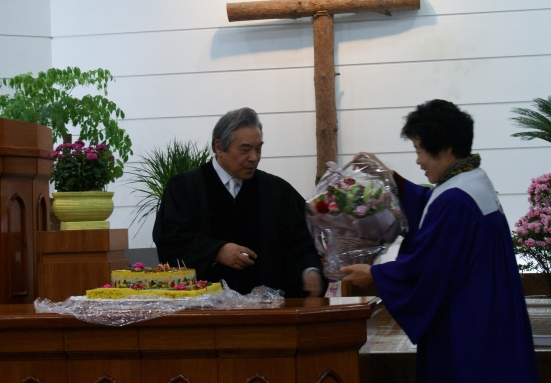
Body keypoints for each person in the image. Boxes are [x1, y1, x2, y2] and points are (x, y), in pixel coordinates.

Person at [342, 100, 539, 382]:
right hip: (492, 320)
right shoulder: (473, 181)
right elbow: (431, 210)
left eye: (419, 150)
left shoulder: (456, 200)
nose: (418, 161)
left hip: (470, 332)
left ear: (445, 148)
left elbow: (428, 268)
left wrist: (376, 275)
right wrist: (389, 179)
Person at [153, 107, 324, 297]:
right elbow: (170, 239)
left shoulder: (276, 191)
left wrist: (309, 270)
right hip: (204, 307)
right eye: (245, 149)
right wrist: (216, 252)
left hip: (268, 308)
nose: (254, 157)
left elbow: (300, 243)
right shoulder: (185, 188)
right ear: (219, 147)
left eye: (258, 149)